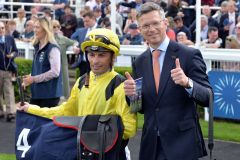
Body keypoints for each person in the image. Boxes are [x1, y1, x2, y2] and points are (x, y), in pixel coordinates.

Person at [17, 28, 137, 160]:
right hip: (84, 151)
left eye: (101, 55)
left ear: (112, 57)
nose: (95, 61)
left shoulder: (120, 85)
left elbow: (129, 129)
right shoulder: (81, 81)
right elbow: (65, 112)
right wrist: (31, 109)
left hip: (111, 153)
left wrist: (94, 130)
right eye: (91, 55)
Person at [123, 2, 212, 160]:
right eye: (146, 25)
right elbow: (141, 108)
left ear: (165, 23)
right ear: (140, 29)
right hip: (151, 147)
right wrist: (132, 96)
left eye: (155, 23)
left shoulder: (189, 55)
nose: (151, 29)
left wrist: (187, 83)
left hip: (182, 145)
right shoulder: (140, 62)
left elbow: (208, 97)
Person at [22, 16, 62, 107]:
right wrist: (29, 78)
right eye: (34, 27)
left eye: (37, 27)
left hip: (49, 96)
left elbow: (55, 72)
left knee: (43, 121)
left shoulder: (53, 48)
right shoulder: (37, 47)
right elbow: (40, 69)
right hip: (37, 94)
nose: (34, 30)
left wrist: (33, 79)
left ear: (45, 29)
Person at [52, 19, 77, 99]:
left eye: (58, 26)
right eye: (54, 26)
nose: (56, 28)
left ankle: (66, 97)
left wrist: (74, 47)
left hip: (62, 62)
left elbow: (74, 42)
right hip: (50, 64)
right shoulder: (47, 38)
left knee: (65, 81)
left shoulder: (63, 39)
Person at [0, 21, 18, 122]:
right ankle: (1, 111)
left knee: (9, 91)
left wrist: (12, 55)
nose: (1, 30)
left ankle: (10, 112)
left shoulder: (10, 38)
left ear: (5, 29)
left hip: (8, 70)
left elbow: (16, 51)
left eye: (2, 28)